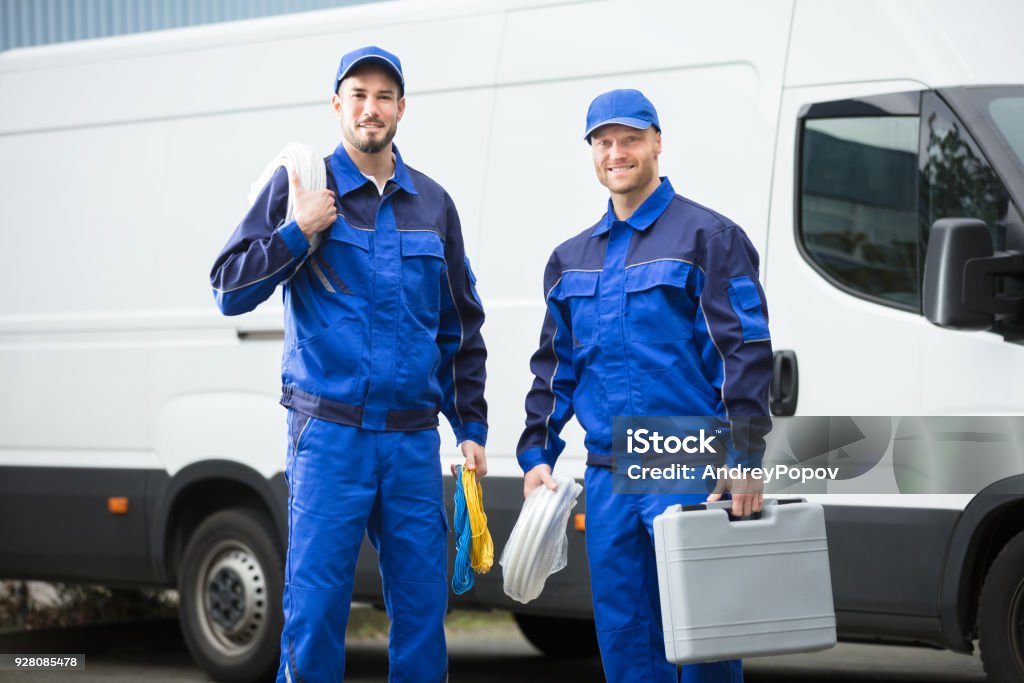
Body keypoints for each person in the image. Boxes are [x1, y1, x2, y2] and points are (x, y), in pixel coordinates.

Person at [210, 45, 487, 683]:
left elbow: (459, 326)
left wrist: (470, 427)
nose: (371, 108)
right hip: (329, 435)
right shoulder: (302, 186)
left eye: (384, 96)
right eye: (358, 94)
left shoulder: (434, 206)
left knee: (422, 613)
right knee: (315, 613)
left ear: (401, 109)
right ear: (337, 104)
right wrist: (295, 232)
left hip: (413, 442)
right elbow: (228, 289)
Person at [517, 89, 772, 683]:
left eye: (629, 138)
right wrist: (537, 453)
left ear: (657, 141)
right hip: (608, 474)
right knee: (625, 637)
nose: (616, 152)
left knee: (702, 641)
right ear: (591, 153)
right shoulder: (570, 259)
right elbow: (554, 367)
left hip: (687, 462)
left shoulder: (708, 238)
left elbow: (743, 354)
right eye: (603, 142)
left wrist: (745, 455)